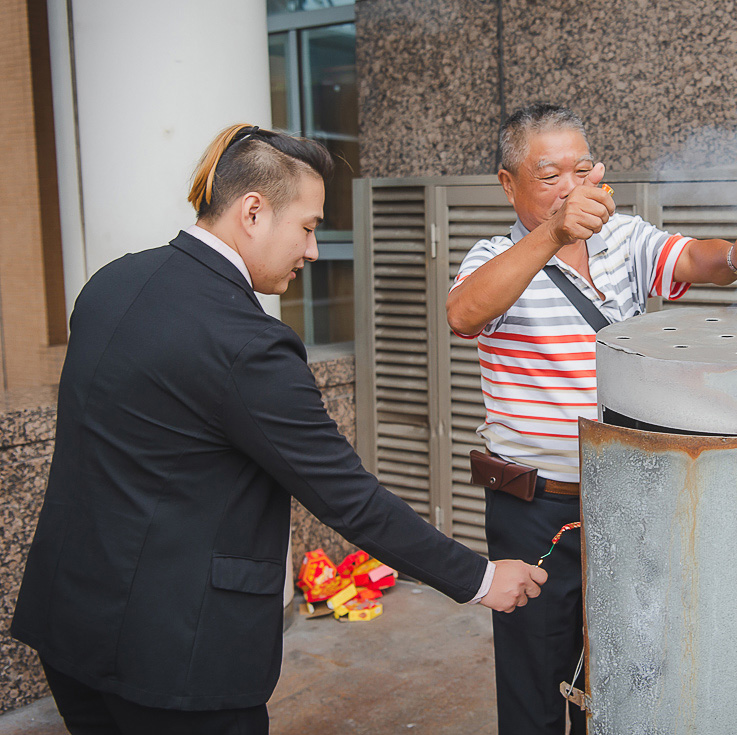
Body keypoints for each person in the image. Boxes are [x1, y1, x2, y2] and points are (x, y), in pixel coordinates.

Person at [10, 124, 546, 735]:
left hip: (69, 622)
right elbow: (349, 499)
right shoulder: (249, 346)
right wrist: (479, 578)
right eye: (310, 227)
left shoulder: (109, 284)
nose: (315, 251)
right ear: (254, 211)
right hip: (179, 662)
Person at [446, 103, 737, 734]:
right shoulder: (494, 256)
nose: (570, 187)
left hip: (629, 499)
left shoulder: (624, 240)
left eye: (582, 169)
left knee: (635, 671)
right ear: (508, 184)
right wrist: (552, 233)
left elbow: (694, 259)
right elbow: (465, 312)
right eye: (549, 175)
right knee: (538, 684)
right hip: (537, 509)